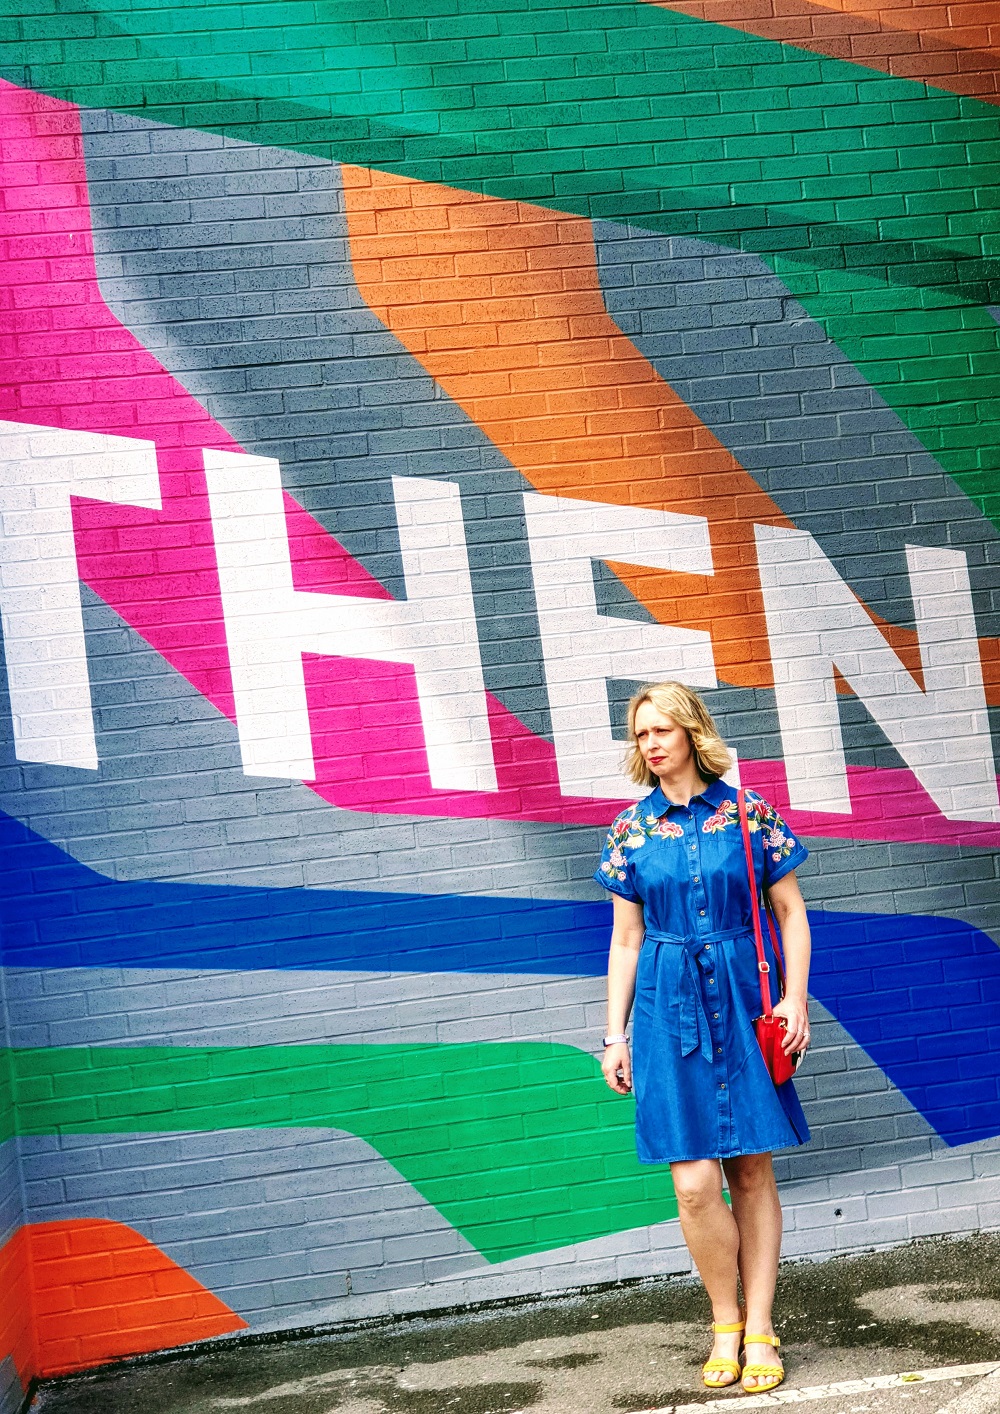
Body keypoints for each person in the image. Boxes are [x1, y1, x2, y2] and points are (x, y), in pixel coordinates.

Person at [596, 681, 811, 1394]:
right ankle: (724, 1319)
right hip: (665, 1005)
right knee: (693, 1185)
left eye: (661, 730)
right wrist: (614, 1035)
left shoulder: (748, 813)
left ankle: (760, 1327)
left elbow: (790, 913)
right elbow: (625, 941)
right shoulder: (631, 829)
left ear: (692, 732)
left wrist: (794, 1000)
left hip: (743, 999)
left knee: (750, 1169)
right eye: (640, 735)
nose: (651, 744)